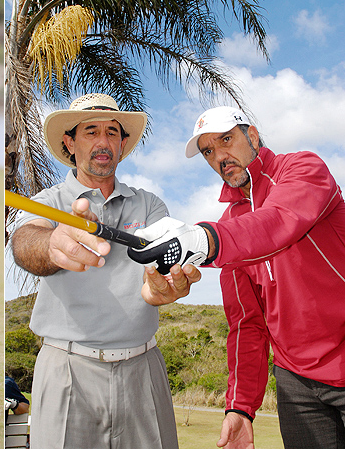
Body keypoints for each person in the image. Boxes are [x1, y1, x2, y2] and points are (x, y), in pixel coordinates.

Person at [129, 106, 345, 449]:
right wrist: (240, 407)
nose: (220, 156)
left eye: (226, 139)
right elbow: (247, 324)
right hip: (296, 381)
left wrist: (205, 239)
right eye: (208, 151)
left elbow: (278, 222)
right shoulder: (229, 223)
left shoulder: (303, 168)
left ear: (253, 136)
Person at [10, 93, 181, 449]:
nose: (103, 142)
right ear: (70, 143)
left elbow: (165, 259)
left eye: (112, 132)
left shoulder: (149, 203)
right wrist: (54, 243)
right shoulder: (48, 202)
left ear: (122, 144)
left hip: (143, 369)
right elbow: (27, 241)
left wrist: (165, 283)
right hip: (66, 371)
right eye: (90, 131)